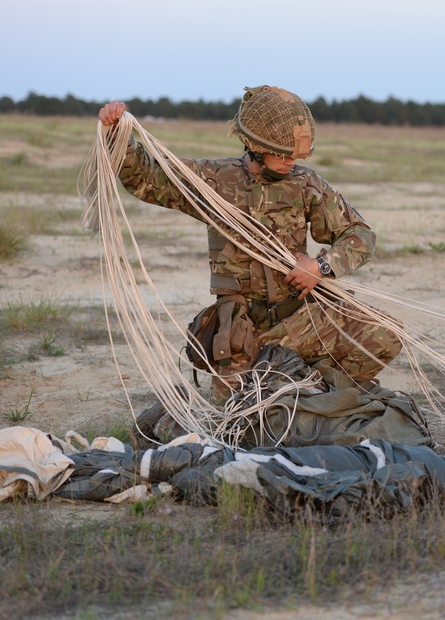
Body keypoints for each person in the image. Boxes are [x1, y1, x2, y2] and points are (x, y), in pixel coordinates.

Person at [97, 85, 402, 402]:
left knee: (384, 335)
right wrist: (117, 134)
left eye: (296, 155)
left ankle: (312, 388)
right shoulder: (215, 180)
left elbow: (360, 235)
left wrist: (320, 267)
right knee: (239, 413)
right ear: (255, 145)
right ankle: (286, 385)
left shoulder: (306, 184)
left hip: (301, 320)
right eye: (282, 155)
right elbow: (148, 176)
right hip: (245, 335)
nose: (290, 162)